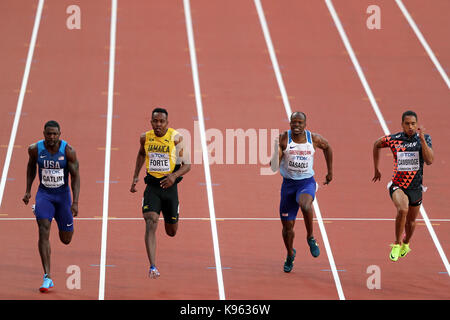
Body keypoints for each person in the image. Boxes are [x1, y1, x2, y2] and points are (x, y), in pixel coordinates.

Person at [130, 107, 191, 278]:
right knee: (151, 221)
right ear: (151, 122)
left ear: (167, 123)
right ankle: (152, 266)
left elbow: (187, 165)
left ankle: (172, 213)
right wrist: (135, 176)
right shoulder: (145, 137)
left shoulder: (176, 138)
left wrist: (174, 176)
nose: (158, 124)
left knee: (171, 232)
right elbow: (141, 154)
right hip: (153, 187)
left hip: (170, 187)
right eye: (155, 121)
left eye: (161, 121)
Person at [270, 111, 333, 272]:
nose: (296, 125)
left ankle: (310, 237)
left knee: (305, 205)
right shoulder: (284, 138)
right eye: (294, 122)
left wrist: (330, 171)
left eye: (299, 123)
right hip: (288, 186)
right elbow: (273, 166)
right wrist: (276, 156)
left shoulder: (314, 139)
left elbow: (328, 148)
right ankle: (290, 254)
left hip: (306, 183)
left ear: (305, 124)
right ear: (290, 123)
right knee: (287, 229)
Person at [22, 120, 80, 292]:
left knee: (66, 239)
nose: (51, 137)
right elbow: (31, 167)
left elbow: (76, 177)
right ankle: (47, 276)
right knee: (43, 229)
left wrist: (75, 202)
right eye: (49, 134)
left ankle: (54, 214)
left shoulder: (68, 151)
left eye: (55, 134)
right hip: (44, 195)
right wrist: (28, 190)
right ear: (44, 133)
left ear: (60, 134)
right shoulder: (35, 149)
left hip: (62, 197)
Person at [373, 110, 433, 262]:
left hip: (416, 188)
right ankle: (397, 243)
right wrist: (376, 168)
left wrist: (422, 141)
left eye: (413, 124)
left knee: (411, 222)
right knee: (402, 209)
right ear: (402, 125)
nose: (410, 127)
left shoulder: (425, 138)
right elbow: (376, 144)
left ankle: (406, 243)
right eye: (407, 124)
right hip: (398, 185)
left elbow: (430, 160)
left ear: (417, 124)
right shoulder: (395, 139)